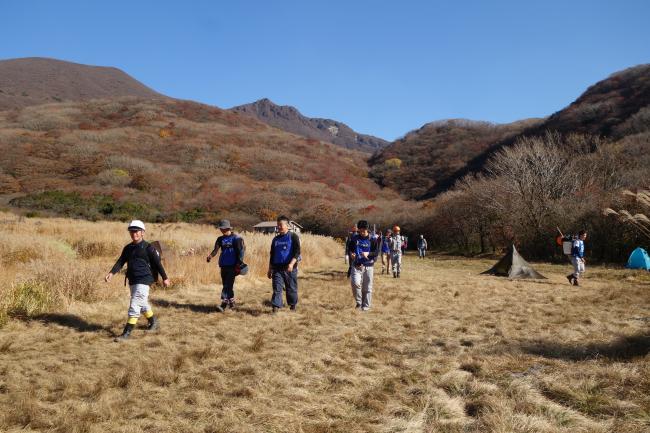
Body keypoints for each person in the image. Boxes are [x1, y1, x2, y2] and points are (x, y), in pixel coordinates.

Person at [105, 220, 170, 342]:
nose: (134, 233)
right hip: (133, 280)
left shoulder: (148, 248)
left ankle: (126, 334)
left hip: (144, 280)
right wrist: (111, 273)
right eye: (132, 231)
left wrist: (165, 278)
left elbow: (158, 264)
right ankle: (153, 322)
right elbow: (120, 262)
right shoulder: (128, 248)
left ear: (142, 232)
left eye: (136, 231)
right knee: (142, 303)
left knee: (135, 305)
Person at [207, 219, 245, 311]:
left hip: (233, 266)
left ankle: (223, 304)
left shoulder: (236, 238)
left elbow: (241, 252)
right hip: (223, 265)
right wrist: (210, 256)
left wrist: (238, 264)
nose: (221, 230)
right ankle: (231, 302)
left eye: (223, 228)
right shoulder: (220, 239)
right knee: (227, 284)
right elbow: (215, 250)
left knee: (227, 285)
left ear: (228, 228)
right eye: (220, 228)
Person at [267, 215, 301, 312]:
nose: (279, 227)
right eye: (278, 225)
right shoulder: (275, 239)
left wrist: (291, 264)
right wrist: (270, 268)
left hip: (290, 268)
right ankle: (276, 307)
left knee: (291, 288)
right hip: (277, 268)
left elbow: (297, 252)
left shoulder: (293, 236)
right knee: (277, 288)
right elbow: (272, 254)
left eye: (281, 225)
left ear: (287, 225)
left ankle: (292, 305)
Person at [347, 220, 379, 311]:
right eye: (360, 230)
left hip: (368, 266)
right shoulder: (354, 238)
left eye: (363, 231)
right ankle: (359, 302)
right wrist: (351, 254)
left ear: (367, 230)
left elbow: (376, 252)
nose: (361, 232)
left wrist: (368, 254)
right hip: (356, 265)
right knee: (355, 283)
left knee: (367, 287)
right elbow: (350, 249)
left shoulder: (373, 239)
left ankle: (366, 306)